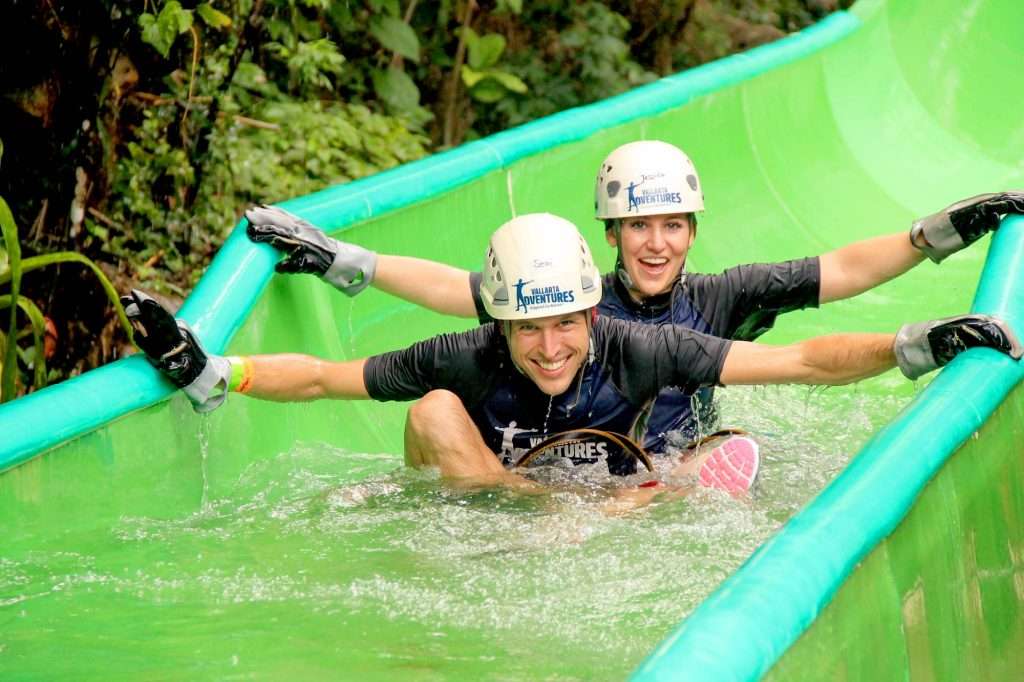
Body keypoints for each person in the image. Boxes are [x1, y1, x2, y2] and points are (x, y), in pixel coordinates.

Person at [124, 213, 1021, 489]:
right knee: (432, 412)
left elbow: (803, 359)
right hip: (498, 493)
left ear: (593, 312)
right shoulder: (468, 349)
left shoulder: (664, 335)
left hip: (622, 471)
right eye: (528, 329)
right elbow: (323, 377)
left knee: (672, 474)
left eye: (672, 227)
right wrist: (215, 371)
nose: (551, 346)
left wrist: (921, 342)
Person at [243, 141, 1024, 455]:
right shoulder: (562, 297)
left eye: (673, 225)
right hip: (563, 469)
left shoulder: (722, 300)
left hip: (662, 468)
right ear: (611, 234)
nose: (656, 243)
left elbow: (842, 273)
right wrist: (340, 260)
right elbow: (461, 290)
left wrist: (943, 234)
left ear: (692, 230)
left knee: (714, 461)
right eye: (638, 225)